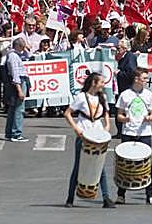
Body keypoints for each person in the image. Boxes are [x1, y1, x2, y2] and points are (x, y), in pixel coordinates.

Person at [64, 72, 115, 208]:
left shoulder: (102, 97)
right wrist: (76, 128)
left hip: (98, 136)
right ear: (94, 83)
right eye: (101, 83)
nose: (103, 85)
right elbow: (67, 113)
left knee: (101, 167)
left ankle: (106, 198)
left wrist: (108, 125)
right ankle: (70, 198)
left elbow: (106, 113)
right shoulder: (81, 97)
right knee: (78, 166)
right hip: (84, 135)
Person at [115, 67, 152, 205]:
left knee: (146, 163)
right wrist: (125, 119)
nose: (146, 80)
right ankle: (121, 194)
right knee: (125, 163)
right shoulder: (125, 95)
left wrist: (149, 117)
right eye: (144, 78)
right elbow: (119, 115)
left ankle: (150, 194)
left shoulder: (149, 95)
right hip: (128, 132)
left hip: (144, 133)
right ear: (136, 79)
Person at [4, 38, 31, 142]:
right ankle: (16, 133)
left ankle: (10, 132)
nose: (24, 49)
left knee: (13, 109)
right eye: (23, 47)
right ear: (18, 46)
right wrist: (19, 90)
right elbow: (15, 74)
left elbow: (28, 56)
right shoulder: (13, 57)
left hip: (19, 81)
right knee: (19, 109)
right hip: (18, 83)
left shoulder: (14, 55)